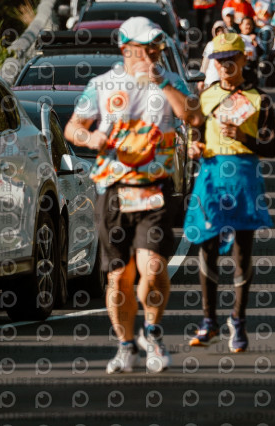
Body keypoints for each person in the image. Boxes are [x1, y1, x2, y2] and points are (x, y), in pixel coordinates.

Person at [64, 17, 203, 374]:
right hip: (113, 190)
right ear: (126, 49)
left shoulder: (170, 81)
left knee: (152, 267)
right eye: (146, 49)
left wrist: (163, 83)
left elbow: (194, 117)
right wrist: (90, 138)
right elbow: (73, 128)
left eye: (157, 49)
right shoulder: (102, 85)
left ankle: (152, 334)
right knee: (118, 277)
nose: (153, 55)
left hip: (155, 189)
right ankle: (125, 345)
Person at [185, 32, 275, 353]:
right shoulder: (205, 96)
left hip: (243, 176)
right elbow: (195, 134)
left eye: (231, 59)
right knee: (207, 246)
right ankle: (208, 321)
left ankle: (238, 320)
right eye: (219, 60)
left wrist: (242, 136)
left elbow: (271, 148)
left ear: (243, 59)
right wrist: (194, 147)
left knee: (241, 252)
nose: (225, 65)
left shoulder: (259, 99)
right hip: (211, 175)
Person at [198, 20, 229, 92]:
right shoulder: (210, 45)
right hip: (211, 79)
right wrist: (201, 80)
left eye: (222, 30)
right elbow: (205, 63)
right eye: (218, 31)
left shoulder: (230, 45)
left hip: (225, 81)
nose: (220, 33)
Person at [240, 16, 263, 86]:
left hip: (252, 66)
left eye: (250, 24)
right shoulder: (238, 37)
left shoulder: (256, 38)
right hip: (241, 66)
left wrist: (255, 43)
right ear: (240, 26)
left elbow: (261, 53)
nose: (249, 26)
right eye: (247, 24)